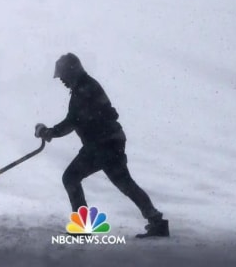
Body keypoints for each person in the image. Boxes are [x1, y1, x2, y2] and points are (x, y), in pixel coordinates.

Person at [35, 53, 169, 238]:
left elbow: (73, 120)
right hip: (109, 142)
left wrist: (50, 132)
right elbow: (78, 119)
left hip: (101, 145)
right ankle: (156, 221)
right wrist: (52, 132)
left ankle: (83, 228)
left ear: (72, 72)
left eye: (63, 76)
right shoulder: (85, 86)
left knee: (71, 178)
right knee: (125, 183)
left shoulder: (84, 89)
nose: (62, 81)